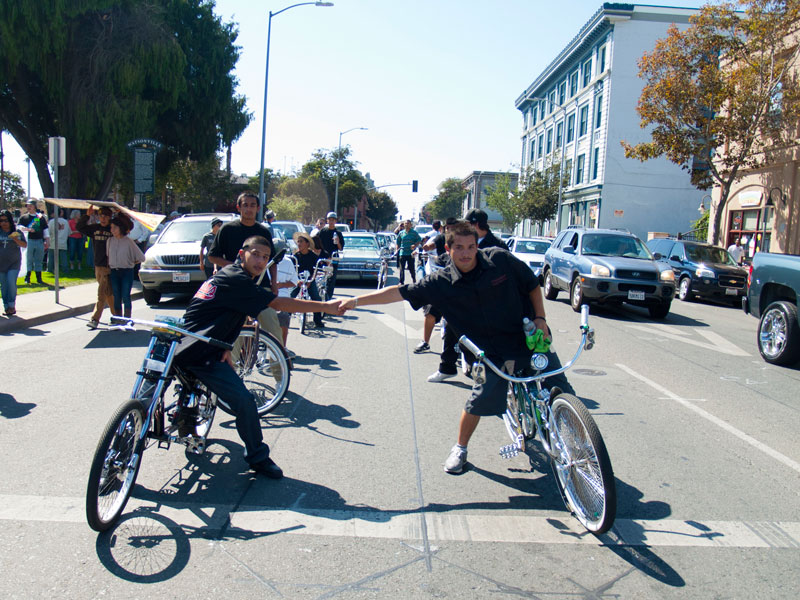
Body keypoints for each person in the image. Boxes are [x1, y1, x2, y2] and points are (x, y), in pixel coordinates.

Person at [337, 221, 574, 474]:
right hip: (490, 352)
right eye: (459, 247)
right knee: (479, 401)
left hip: (528, 338)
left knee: (562, 390)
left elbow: (531, 284)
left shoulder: (500, 259)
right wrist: (355, 300)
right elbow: (398, 292)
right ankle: (460, 448)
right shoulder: (439, 283)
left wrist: (540, 318)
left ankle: (579, 441)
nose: (466, 253)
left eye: (471, 246)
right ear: (448, 248)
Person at [170, 235, 340, 478]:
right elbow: (281, 304)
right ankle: (258, 457)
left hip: (182, 343)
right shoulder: (238, 280)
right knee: (246, 403)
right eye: (256, 254)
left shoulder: (227, 276)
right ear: (242, 254)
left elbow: (216, 314)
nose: (261, 261)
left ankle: (171, 419)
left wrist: (225, 346)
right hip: (200, 352)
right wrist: (324, 307)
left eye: (266, 257)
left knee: (155, 389)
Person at [428, 212, 508, 383]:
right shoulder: (464, 241)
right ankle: (447, 368)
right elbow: (451, 260)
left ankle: (488, 372)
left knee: (485, 338)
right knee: (451, 327)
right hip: (460, 293)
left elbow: (510, 274)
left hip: (488, 300)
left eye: (468, 224)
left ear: (476, 224)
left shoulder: (498, 245)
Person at [208, 192, 283, 345]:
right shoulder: (227, 229)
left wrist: (274, 282)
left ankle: (279, 366)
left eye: (252, 205)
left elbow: (273, 260)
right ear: (238, 208)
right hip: (234, 286)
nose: (249, 209)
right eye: (245, 205)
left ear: (258, 208)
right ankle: (232, 367)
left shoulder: (263, 231)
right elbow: (212, 256)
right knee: (234, 334)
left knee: (273, 329)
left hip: (260, 285)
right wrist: (235, 267)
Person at [77, 206, 116, 329]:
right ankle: (118, 317)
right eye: (101, 216)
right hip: (98, 265)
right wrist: (87, 216)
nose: (103, 218)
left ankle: (95, 319)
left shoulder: (113, 229)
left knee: (101, 293)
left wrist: (120, 215)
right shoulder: (95, 229)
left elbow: (126, 228)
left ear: (110, 217)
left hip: (108, 266)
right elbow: (80, 227)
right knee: (108, 293)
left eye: (105, 216)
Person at [107, 215, 146, 319]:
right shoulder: (110, 241)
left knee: (125, 295)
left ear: (121, 228)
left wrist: (132, 262)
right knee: (116, 295)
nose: (112, 230)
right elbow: (108, 255)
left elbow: (142, 257)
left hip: (126, 272)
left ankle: (127, 318)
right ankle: (118, 318)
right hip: (114, 271)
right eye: (111, 227)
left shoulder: (128, 241)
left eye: (115, 227)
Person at [291, 231, 325, 329]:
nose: (299, 244)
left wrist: (311, 280)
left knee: (316, 299)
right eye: (298, 242)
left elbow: (317, 269)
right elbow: (292, 269)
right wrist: (297, 280)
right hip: (297, 280)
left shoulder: (313, 256)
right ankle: (286, 318)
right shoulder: (294, 256)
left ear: (307, 244)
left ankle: (317, 321)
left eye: (301, 241)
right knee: (290, 296)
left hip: (310, 280)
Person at [0, 210, 27, 316]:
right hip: (1, 264)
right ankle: (6, 306)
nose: (3, 223)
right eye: (1, 221)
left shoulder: (17, 232)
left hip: (14, 263)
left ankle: (12, 305)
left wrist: (15, 239)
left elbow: (24, 245)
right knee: (4, 286)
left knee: (11, 282)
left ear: (10, 221)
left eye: (6, 220)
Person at [17, 200, 48, 285]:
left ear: (34, 206)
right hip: (29, 240)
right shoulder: (24, 217)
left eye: (30, 205)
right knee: (29, 259)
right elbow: (19, 227)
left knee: (39, 260)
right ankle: (28, 277)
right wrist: (27, 229)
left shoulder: (40, 217)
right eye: (27, 205)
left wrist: (47, 240)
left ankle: (39, 278)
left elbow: (45, 229)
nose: (28, 207)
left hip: (39, 240)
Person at [275, 251, 299, 354]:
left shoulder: (288, 262)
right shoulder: (264, 260)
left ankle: (282, 347)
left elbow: (294, 282)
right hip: (266, 295)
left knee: (284, 317)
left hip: (282, 296)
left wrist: (281, 285)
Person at [317, 212, 345, 299]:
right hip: (323, 259)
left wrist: (337, 241)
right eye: (330, 220)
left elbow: (340, 248)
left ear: (335, 221)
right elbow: (316, 243)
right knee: (321, 279)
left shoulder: (338, 233)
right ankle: (319, 296)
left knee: (331, 280)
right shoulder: (322, 231)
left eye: (333, 220)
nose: (331, 222)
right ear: (327, 221)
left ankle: (328, 298)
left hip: (333, 259)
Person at [47, 209, 70, 274]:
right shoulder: (65, 222)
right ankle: (65, 269)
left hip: (53, 242)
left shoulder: (51, 222)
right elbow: (69, 232)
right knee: (63, 258)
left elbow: (48, 232)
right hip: (63, 242)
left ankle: (50, 269)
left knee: (51, 257)